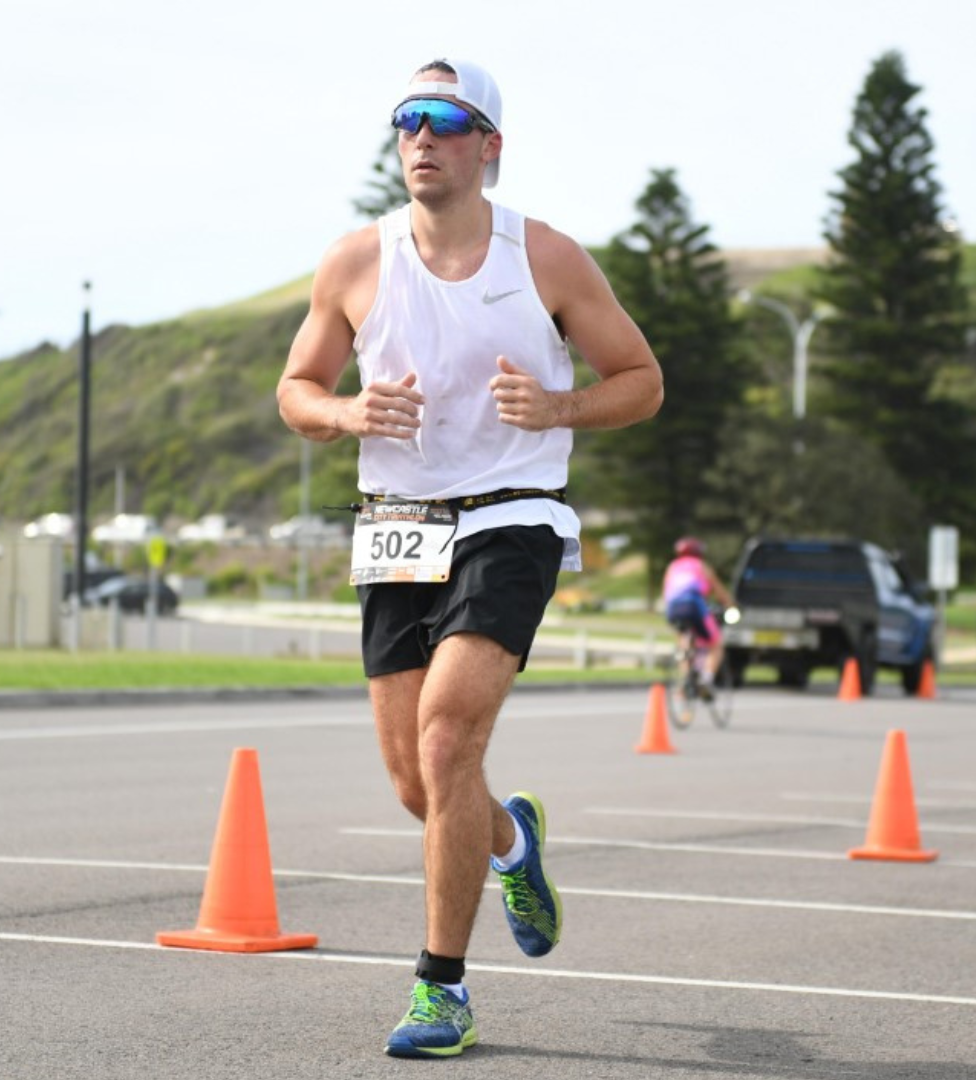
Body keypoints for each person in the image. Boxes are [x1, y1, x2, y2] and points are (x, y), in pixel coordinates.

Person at [275, 58, 662, 1059]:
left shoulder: (548, 259)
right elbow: (297, 389)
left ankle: (441, 989)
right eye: (407, 118)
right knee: (417, 783)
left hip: (512, 514)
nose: (421, 137)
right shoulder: (354, 262)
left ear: (489, 143)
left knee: (449, 741)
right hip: (396, 518)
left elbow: (642, 379)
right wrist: (347, 412)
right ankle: (513, 842)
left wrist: (561, 406)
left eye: (445, 120)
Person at [662, 537, 734, 692]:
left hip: (673, 609)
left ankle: (685, 678)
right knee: (716, 644)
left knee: (683, 641)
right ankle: (706, 680)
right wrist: (730, 604)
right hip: (693, 606)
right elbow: (719, 591)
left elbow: (666, 593)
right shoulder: (701, 566)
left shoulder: (672, 567)